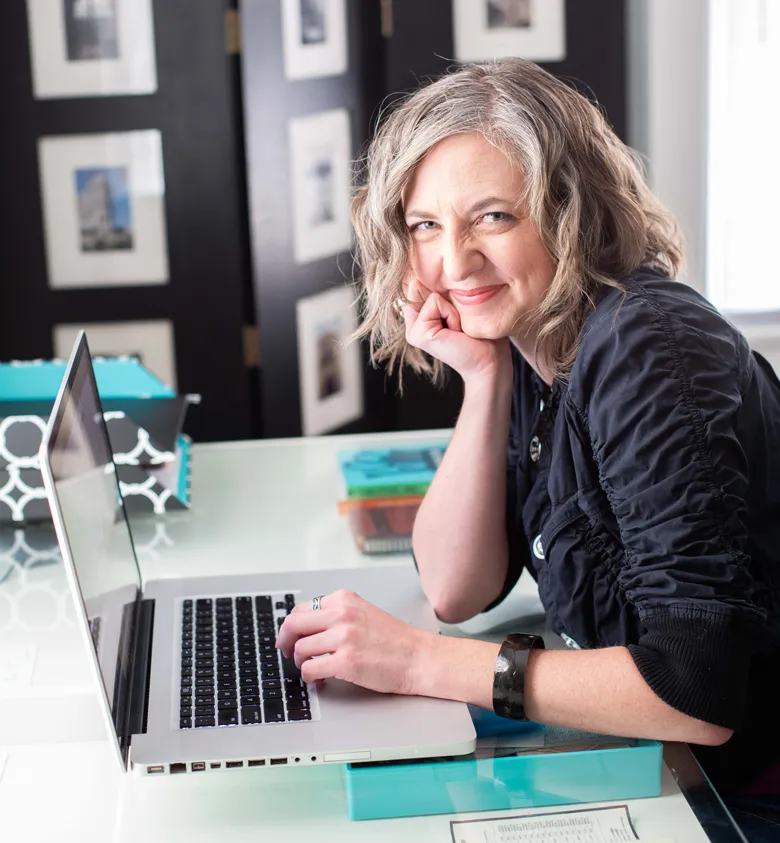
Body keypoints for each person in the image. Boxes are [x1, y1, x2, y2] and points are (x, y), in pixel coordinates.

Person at [276, 58, 780, 835]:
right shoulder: (529, 340)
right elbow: (454, 586)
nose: (454, 262)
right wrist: (482, 381)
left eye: (493, 218)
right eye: (425, 226)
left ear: (570, 210)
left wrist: (418, 661)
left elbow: (697, 691)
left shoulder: (646, 346)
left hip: (735, 787)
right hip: (657, 754)